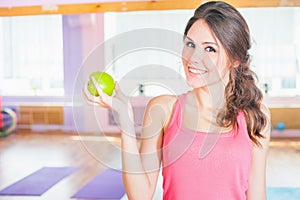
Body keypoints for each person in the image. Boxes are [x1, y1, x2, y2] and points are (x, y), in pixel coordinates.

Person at [83, 1, 270, 199]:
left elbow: (257, 194)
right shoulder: (163, 110)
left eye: (210, 49)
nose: (193, 58)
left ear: (235, 59)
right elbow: (140, 196)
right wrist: (125, 120)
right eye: (190, 45)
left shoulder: (255, 117)